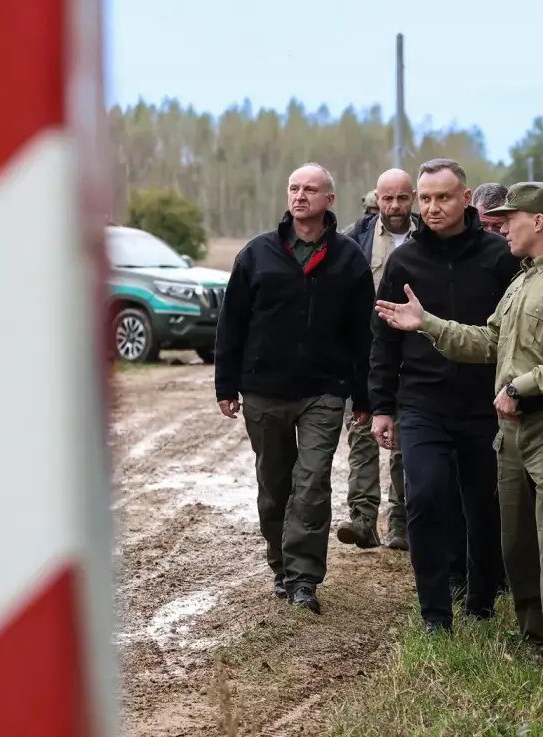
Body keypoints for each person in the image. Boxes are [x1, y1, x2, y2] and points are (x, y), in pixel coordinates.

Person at [376, 181, 543, 669]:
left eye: (511, 218)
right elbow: (489, 342)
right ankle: (532, 635)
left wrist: (522, 387)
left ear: (539, 221)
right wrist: (428, 324)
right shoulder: (524, 280)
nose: (501, 226)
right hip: (513, 432)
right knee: (516, 544)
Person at [214, 162, 375, 615]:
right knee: (274, 486)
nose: (300, 195)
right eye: (294, 188)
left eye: (311, 189)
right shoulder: (257, 254)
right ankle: (280, 566)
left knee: (311, 483)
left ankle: (304, 579)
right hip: (265, 390)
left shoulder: (348, 260)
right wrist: (226, 383)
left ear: (330, 200)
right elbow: (232, 324)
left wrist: (365, 395)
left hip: (324, 390)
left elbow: (363, 335)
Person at [369, 159, 520, 634]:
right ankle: (435, 613)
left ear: (466, 198)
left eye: (443, 197)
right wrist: (382, 406)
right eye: (426, 198)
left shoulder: (500, 258)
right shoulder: (404, 261)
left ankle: (479, 603)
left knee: (483, 506)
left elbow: (514, 336)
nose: (433, 208)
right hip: (422, 405)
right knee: (427, 498)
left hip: (484, 406)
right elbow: (385, 338)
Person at [337, 169, 419, 550]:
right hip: (367, 354)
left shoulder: (428, 239)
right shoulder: (356, 241)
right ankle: (363, 519)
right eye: (388, 198)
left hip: (415, 353)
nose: (394, 206)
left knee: (405, 438)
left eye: (402, 198)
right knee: (362, 432)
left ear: (413, 198)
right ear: (377, 199)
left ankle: (401, 522)